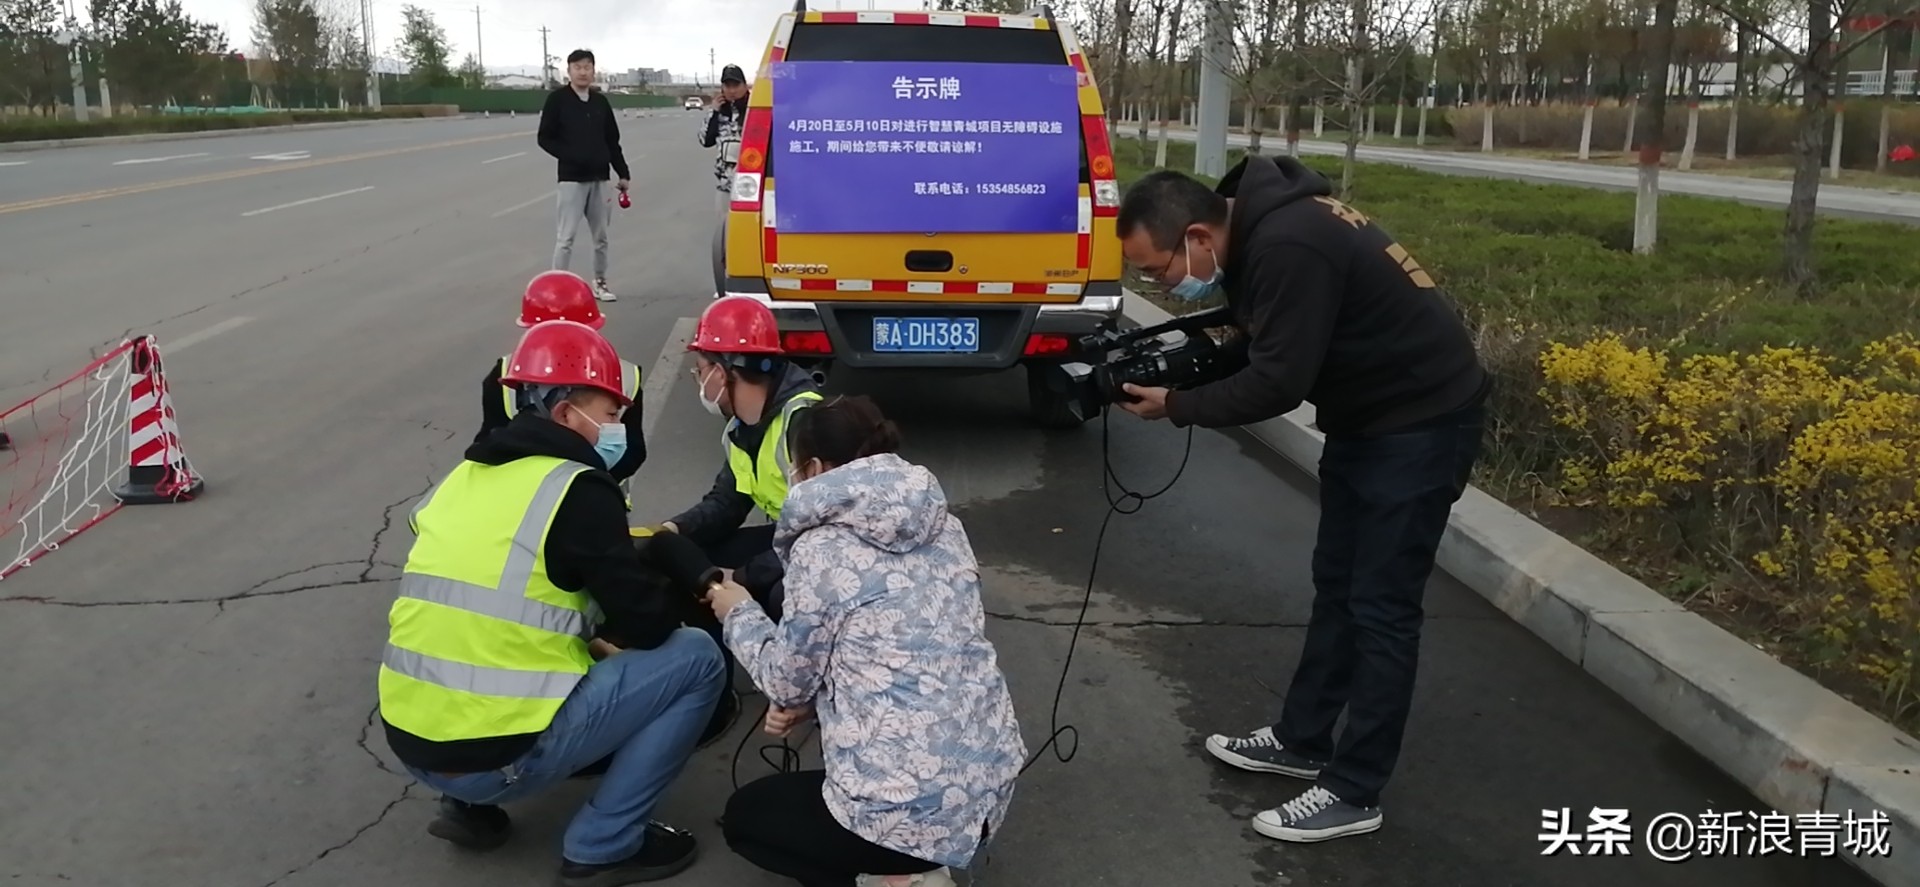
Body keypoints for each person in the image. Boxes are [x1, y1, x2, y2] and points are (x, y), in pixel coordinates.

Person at [1113, 155, 1490, 844]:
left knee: (1381, 606)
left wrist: (1180, 405)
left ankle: (1354, 788)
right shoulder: (1263, 233)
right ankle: (1304, 738)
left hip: (1421, 422)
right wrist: (1173, 368)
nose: (1159, 283)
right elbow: (1261, 341)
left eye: (1156, 269)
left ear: (1196, 234)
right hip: (1371, 418)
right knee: (1341, 585)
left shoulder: (1289, 242)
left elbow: (1278, 382)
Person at [379, 319, 723, 886]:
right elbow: (650, 623)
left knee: (525, 643)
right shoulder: (577, 489)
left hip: (411, 739)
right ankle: (603, 845)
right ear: (566, 415)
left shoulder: (462, 479)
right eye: (609, 415)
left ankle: (467, 810)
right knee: (695, 657)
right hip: (494, 756)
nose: (615, 429)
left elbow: (492, 597)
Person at [702, 395, 1025, 887]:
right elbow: (896, 647)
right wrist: (813, 697)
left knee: (748, 819)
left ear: (811, 467)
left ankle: (891, 875)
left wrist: (736, 611)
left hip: (904, 812)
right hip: (987, 788)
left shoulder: (821, 547)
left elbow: (786, 683)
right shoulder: (944, 525)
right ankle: (917, 868)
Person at [651, 296, 823, 732]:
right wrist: (673, 531)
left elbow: (822, 542)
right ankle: (714, 695)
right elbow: (726, 503)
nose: (698, 379)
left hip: (823, 557)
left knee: (777, 592)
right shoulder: (743, 426)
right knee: (689, 560)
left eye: (701, 368)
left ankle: (812, 689)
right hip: (790, 544)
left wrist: (742, 578)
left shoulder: (804, 426)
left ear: (724, 371)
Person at [479, 270, 646, 483]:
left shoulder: (506, 372)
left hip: (555, 497)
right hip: (578, 494)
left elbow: (490, 444)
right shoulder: (624, 373)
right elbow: (633, 452)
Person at [539, 48, 631, 303]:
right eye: (577, 67)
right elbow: (544, 138)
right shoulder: (557, 100)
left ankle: (600, 283)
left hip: (600, 179)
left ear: (593, 71)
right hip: (571, 180)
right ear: (568, 71)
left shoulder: (600, 102)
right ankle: (557, 289)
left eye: (587, 67)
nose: (582, 71)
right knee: (565, 237)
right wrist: (570, 154)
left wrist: (622, 172)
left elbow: (612, 141)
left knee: (601, 237)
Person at [698, 64, 750, 296]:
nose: (731, 90)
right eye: (727, 85)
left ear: (744, 85)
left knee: (748, 233)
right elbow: (705, 140)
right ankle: (726, 282)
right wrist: (715, 111)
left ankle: (749, 278)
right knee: (724, 236)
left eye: (735, 85)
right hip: (724, 182)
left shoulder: (754, 107)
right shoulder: (718, 112)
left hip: (750, 182)